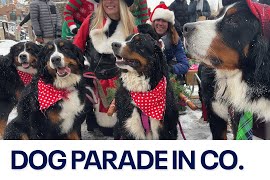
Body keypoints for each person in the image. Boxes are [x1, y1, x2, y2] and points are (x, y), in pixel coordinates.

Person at [73, 0, 135, 136]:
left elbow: (136, 55)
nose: (109, 1)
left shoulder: (130, 26)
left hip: (118, 80)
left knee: (112, 128)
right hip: (91, 78)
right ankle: (90, 121)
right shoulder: (91, 21)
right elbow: (76, 47)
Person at [149, 4, 189, 79]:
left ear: (169, 24)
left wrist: (170, 68)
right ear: (153, 22)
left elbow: (185, 65)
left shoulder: (175, 40)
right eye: (158, 20)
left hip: (168, 77)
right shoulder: (146, 38)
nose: (160, 24)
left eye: (164, 21)